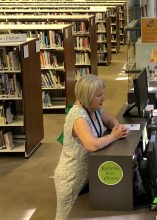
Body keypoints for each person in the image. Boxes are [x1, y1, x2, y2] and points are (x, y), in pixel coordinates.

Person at [54, 75, 129, 220]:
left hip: (88, 175)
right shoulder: (78, 116)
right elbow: (92, 145)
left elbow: (109, 120)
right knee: (67, 216)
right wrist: (113, 136)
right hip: (72, 178)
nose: (104, 98)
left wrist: (117, 127)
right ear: (87, 97)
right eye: (99, 95)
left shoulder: (94, 108)